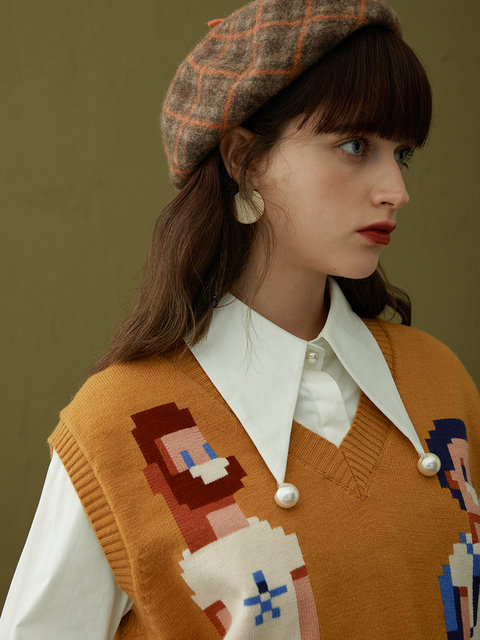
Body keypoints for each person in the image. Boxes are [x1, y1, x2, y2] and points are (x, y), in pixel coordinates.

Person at [1, 0, 480, 638]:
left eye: (403, 154)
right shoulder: (119, 429)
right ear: (243, 160)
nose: (396, 189)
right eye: (355, 145)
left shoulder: (439, 384)